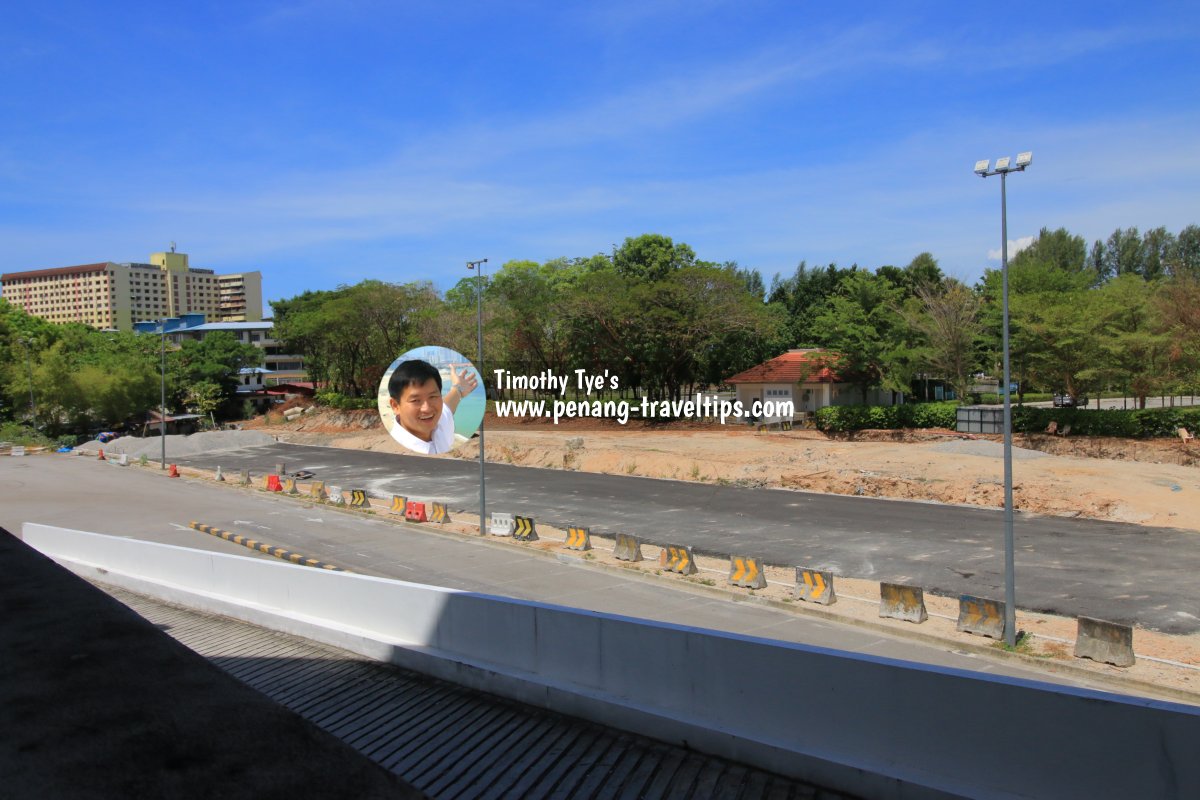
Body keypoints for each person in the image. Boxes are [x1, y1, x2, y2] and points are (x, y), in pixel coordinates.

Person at [386, 359, 478, 455]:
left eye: (433, 397)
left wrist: (458, 388)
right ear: (395, 406)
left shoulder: (439, 423)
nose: (427, 408)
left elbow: (448, 406)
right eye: (415, 400)